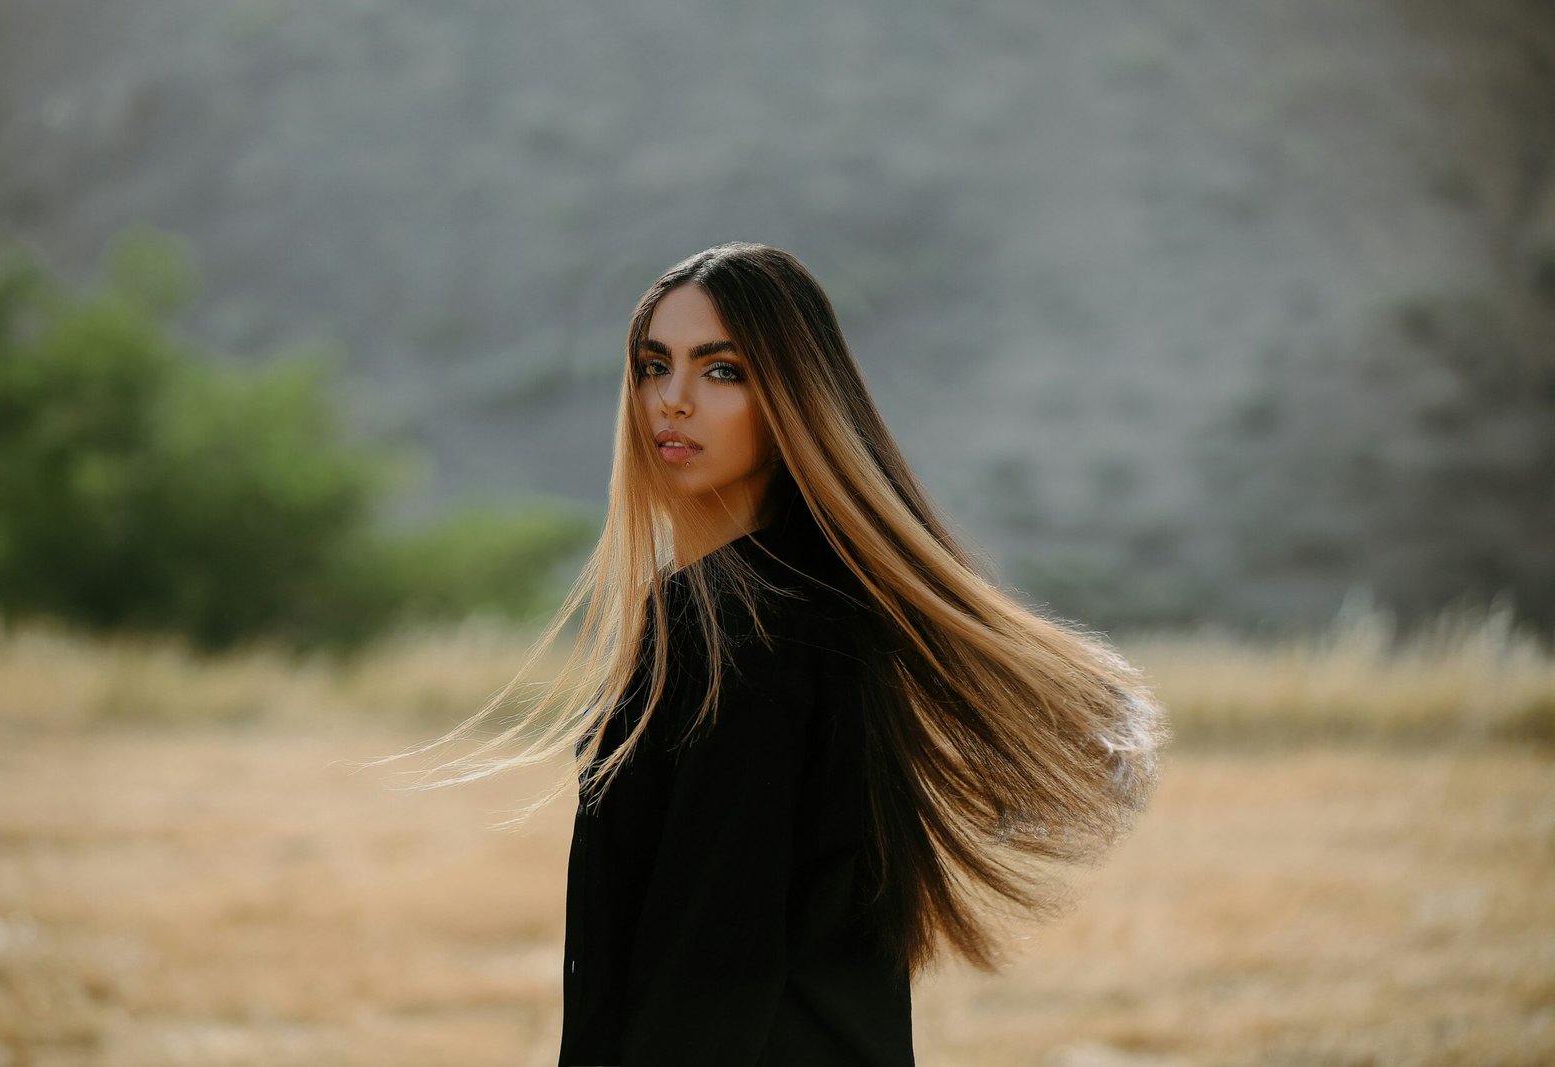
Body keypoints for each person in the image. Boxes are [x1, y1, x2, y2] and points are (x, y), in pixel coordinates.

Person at [407, 243, 1166, 1065]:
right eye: (654, 365)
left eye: (721, 370)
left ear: (793, 396)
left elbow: (714, 952)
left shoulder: (754, 625)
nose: (674, 400)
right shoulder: (801, 601)